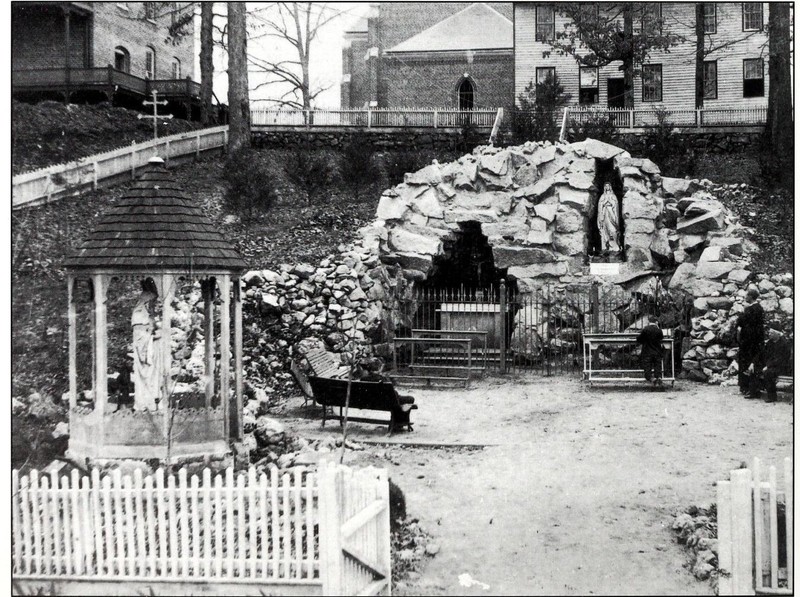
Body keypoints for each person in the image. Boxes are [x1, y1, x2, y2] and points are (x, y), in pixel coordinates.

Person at [131, 281, 162, 410]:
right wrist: (153, 336)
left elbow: (151, 329)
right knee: (145, 376)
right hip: (145, 355)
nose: (152, 305)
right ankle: (143, 403)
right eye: (151, 302)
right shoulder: (138, 316)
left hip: (152, 351)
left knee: (154, 376)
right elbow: (140, 339)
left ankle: (154, 401)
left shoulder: (148, 316)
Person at [736, 287, 765, 399]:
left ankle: (751, 389)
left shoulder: (755, 309)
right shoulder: (754, 308)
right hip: (748, 341)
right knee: (746, 364)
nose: (745, 297)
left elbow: (744, 323)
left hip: (751, 342)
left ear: (751, 297)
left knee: (750, 364)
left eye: (747, 295)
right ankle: (746, 387)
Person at [761, 327, 792, 403]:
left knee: (768, 373)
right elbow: (763, 354)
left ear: (777, 334)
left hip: (782, 367)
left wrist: (767, 366)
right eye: (769, 333)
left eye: (771, 333)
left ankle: (772, 397)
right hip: (771, 365)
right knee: (755, 368)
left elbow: (780, 359)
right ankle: (754, 392)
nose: (769, 334)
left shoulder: (784, 344)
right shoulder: (769, 343)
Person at [637, 316, 664, 387]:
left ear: (649, 322)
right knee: (657, 366)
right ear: (656, 322)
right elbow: (661, 338)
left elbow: (639, 339)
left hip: (647, 352)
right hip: (657, 352)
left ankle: (651, 378)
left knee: (647, 367)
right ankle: (659, 377)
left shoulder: (645, 329)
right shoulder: (659, 330)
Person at [598, 183, 621, 256]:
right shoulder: (602, 196)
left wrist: (611, 202)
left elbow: (616, 205)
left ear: (610, 187)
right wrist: (604, 203)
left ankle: (615, 247)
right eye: (606, 186)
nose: (607, 187)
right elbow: (600, 206)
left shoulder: (613, 196)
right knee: (605, 230)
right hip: (605, 213)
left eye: (608, 186)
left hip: (611, 213)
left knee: (613, 230)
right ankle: (605, 247)